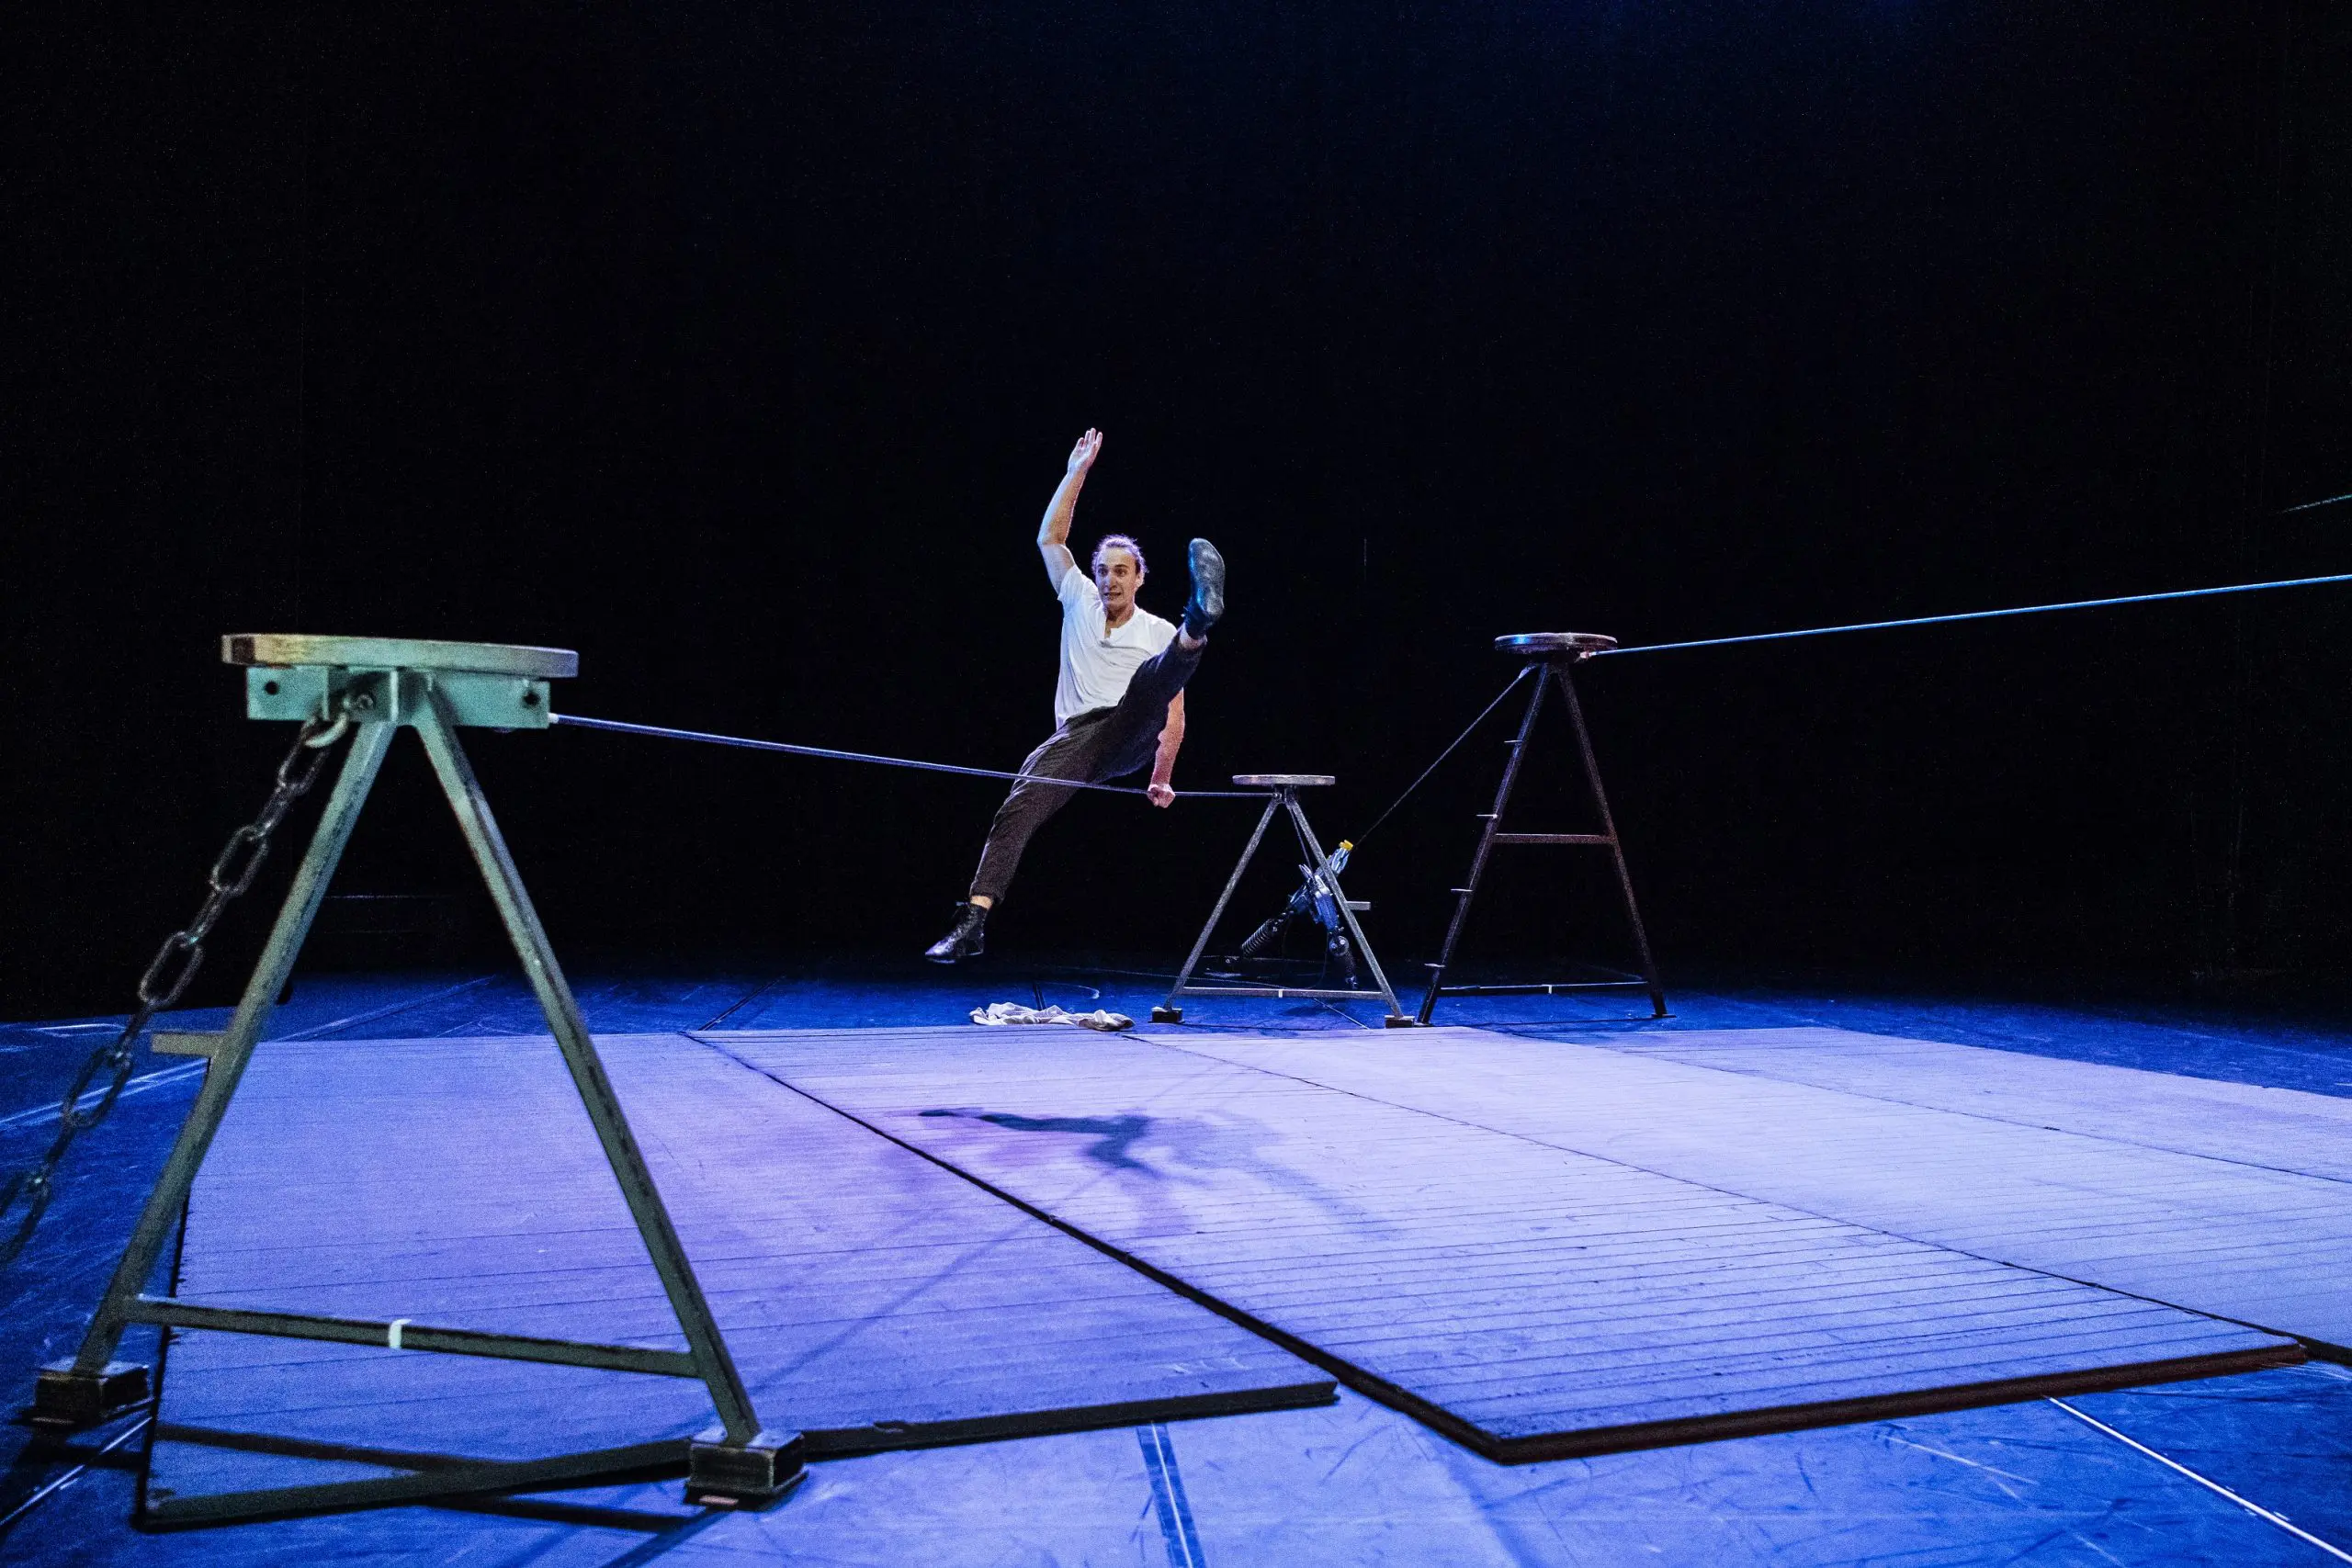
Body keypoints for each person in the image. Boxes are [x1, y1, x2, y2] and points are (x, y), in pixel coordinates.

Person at [925, 428, 1225, 962]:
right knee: (1018, 806)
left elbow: (1173, 716)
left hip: (1131, 728)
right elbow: (1051, 540)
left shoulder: (1153, 628)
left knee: (1149, 682)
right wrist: (1075, 472)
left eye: (1121, 572)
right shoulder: (1078, 598)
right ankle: (973, 922)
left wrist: (1161, 777)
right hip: (1075, 739)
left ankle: (1196, 623)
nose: (1110, 580)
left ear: (1139, 578)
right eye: (1103, 570)